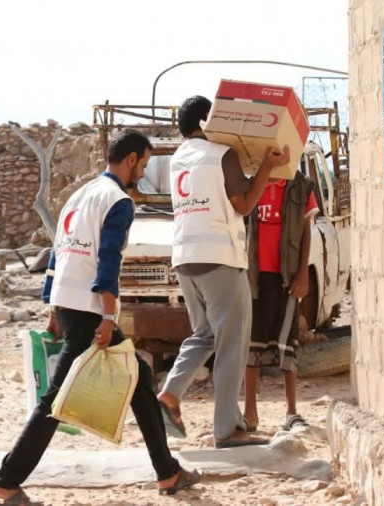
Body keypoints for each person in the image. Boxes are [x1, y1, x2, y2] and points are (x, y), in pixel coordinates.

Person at [0, 130, 200, 506]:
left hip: (69, 304)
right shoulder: (118, 201)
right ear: (131, 159)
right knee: (55, 402)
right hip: (89, 310)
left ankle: (167, 471)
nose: (142, 173)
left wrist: (53, 308)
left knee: (139, 376)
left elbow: (59, 252)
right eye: (144, 165)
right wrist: (107, 315)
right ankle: (5, 482)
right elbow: (108, 260)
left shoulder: (80, 195)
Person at [156, 95, 290, 448]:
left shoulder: (178, 159)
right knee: (232, 344)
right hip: (220, 259)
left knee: (204, 335)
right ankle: (227, 430)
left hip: (185, 258)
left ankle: (170, 393)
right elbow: (243, 204)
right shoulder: (221, 154)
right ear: (205, 121)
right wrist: (267, 166)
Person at [243, 170, 319, 433]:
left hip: (287, 277)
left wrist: (303, 273)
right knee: (252, 343)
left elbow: (306, 232)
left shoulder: (301, 186)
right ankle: (250, 412)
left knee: (288, 343)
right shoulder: (251, 183)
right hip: (254, 277)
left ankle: (291, 411)